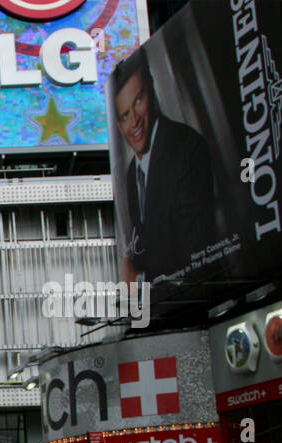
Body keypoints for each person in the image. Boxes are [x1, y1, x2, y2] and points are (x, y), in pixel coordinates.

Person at [112, 49, 215, 285]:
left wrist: (138, 280)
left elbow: (196, 256)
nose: (134, 121)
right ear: (118, 124)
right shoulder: (131, 174)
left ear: (152, 92)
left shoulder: (186, 148)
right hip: (163, 308)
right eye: (125, 115)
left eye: (139, 100)